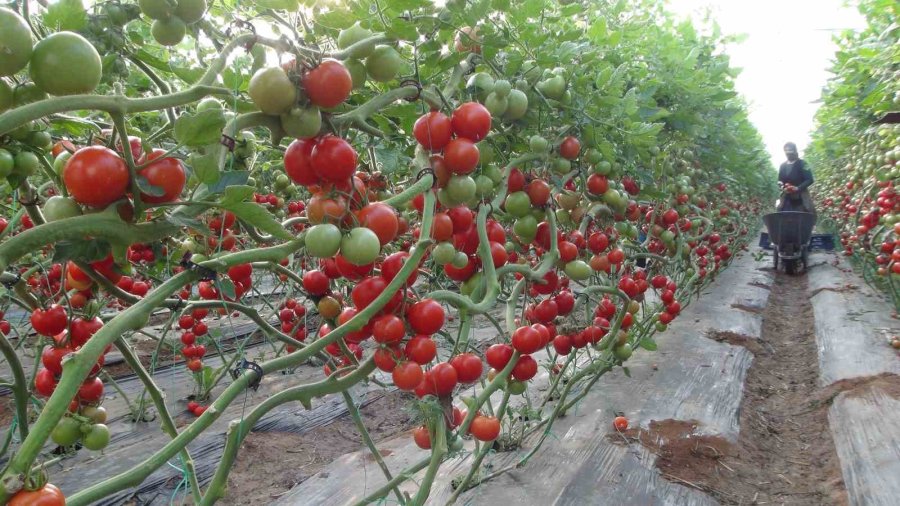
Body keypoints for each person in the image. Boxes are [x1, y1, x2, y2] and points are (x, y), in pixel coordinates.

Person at [777, 142, 815, 216]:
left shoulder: (803, 163)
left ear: (795, 151)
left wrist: (798, 188)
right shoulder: (782, 166)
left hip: (801, 197)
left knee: (803, 216)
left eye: (790, 150)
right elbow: (780, 180)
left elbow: (810, 179)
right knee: (784, 216)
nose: (788, 153)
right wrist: (782, 186)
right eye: (786, 151)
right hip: (787, 197)